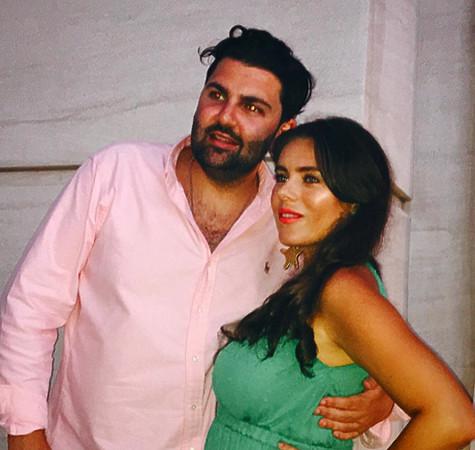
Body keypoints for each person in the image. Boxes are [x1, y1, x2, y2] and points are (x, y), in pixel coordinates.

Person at [1, 27, 395, 450]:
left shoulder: (291, 223)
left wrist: (381, 397)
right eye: (217, 95)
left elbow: (349, 338)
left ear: (284, 129)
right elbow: (30, 308)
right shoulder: (115, 175)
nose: (225, 117)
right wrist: (25, 433)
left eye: (252, 107)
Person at [204, 117, 475, 449]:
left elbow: (453, 417)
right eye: (283, 176)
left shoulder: (342, 290)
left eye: (311, 179)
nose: (285, 192)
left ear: (352, 201)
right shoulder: (314, 278)